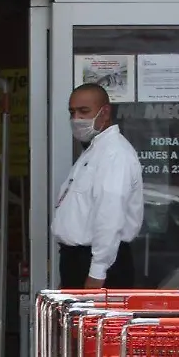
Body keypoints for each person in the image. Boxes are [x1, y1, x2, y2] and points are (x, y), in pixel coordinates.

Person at [52, 83, 143, 289]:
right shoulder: (94, 150)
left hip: (99, 264)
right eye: (72, 112)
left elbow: (110, 216)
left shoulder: (114, 154)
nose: (77, 118)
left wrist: (97, 273)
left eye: (84, 111)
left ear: (105, 112)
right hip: (79, 260)